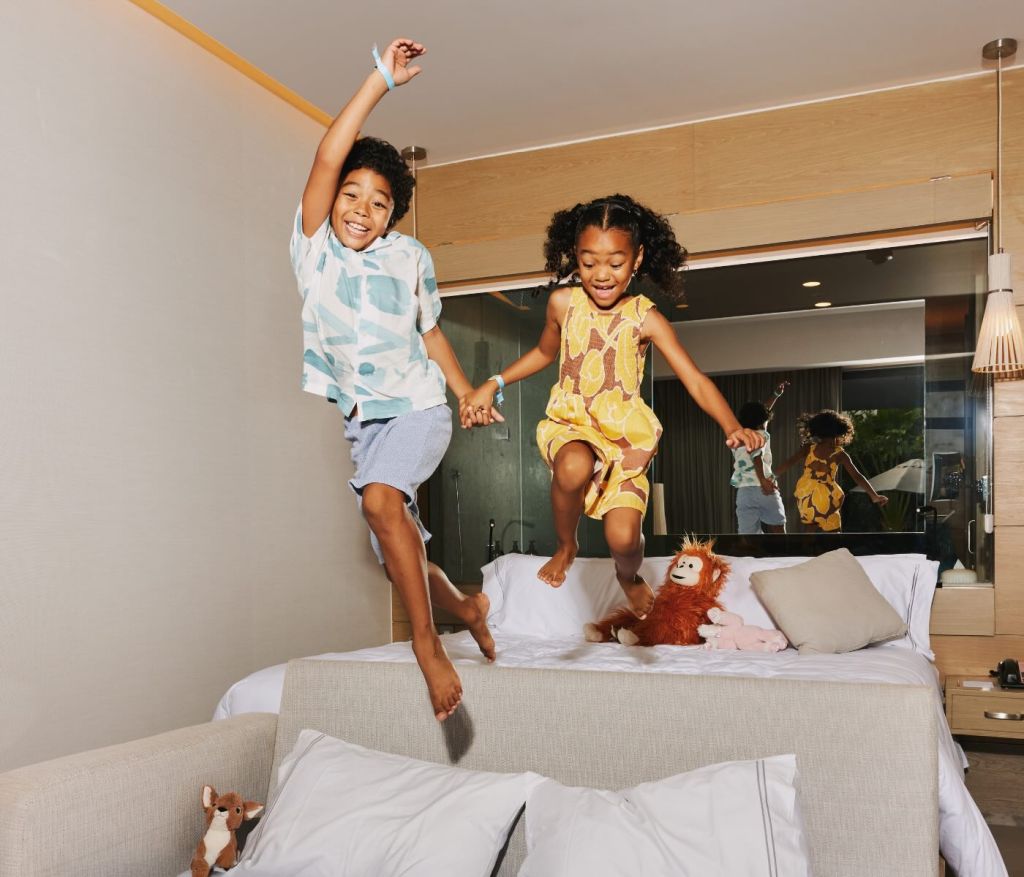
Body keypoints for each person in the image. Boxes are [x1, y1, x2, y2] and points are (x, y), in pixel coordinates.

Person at [289, 38, 497, 722]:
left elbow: (430, 332)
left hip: (416, 407)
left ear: (393, 215)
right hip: (362, 421)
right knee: (394, 555)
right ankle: (465, 606)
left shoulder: (408, 256)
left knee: (382, 505)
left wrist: (465, 392)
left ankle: (427, 645)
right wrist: (380, 80)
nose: (361, 209)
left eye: (379, 202)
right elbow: (326, 154)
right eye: (352, 193)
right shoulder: (313, 248)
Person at [462, 195, 763, 620]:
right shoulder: (563, 305)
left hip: (625, 441)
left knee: (623, 540)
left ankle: (628, 576)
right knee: (572, 467)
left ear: (636, 259)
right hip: (572, 422)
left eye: (615, 263)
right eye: (588, 262)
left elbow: (694, 379)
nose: (601, 275)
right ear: (575, 259)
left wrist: (730, 423)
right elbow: (544, 353)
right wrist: (492, 383)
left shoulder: (645, 318)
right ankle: (567, 545)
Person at [775, 409, 888, 532]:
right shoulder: (839, 454)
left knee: (810, 527)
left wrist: (770, 477)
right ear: (840, 430)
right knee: (833, 530)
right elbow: (857, 476)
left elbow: (789, 463)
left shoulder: (808, 449)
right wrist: (874, 496)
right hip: (826, 495)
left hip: (806, 493)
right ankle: (833, 549)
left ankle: (807, 550)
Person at [731, 381, 790, 534]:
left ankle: (750, 556)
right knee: (778, 527)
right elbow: (757, 456)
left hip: (744, 491)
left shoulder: (737, 438)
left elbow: (762, 412)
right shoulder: (760, 435)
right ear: (762, 421)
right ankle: (783, 557)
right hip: (763, 488)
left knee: (748, 535)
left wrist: (775, 395)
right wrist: (763, 480)